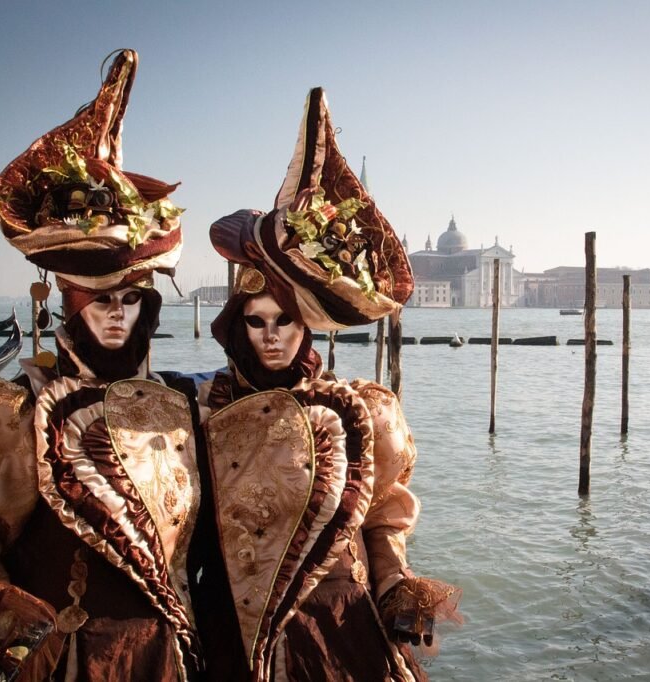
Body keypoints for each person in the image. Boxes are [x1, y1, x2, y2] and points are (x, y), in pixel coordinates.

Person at [0, 49, 202, 681]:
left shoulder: (177, 408)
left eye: (130, 300)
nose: (115, 315)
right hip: (61, 658)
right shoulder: (15, 406)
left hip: (159, 655)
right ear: (66, 299)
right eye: (99, 300)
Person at [191, 87, 460, 681]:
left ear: (306, 326)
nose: (270, 337)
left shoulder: (359, 414)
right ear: (235, 326)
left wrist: (392, 582)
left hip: (340, 629)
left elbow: (383, 517)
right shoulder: (197, 412)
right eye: (255, 322)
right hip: (228, 635)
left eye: (284, 321)